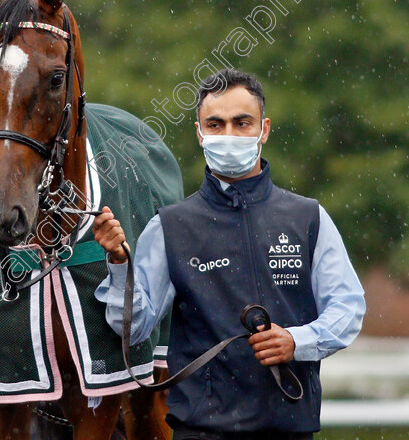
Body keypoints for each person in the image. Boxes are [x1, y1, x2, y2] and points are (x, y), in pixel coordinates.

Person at [93, 68, 365, 440]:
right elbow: (135, 327)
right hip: (202, 429)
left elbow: (348, 307)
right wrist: (119, 265)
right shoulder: (170, 226)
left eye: (242, 123)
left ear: (264, 129)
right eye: (216, 125)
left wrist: (297, 341)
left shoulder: (308, 217)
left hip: (289, 426)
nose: (229, 135)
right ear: (200, 133)